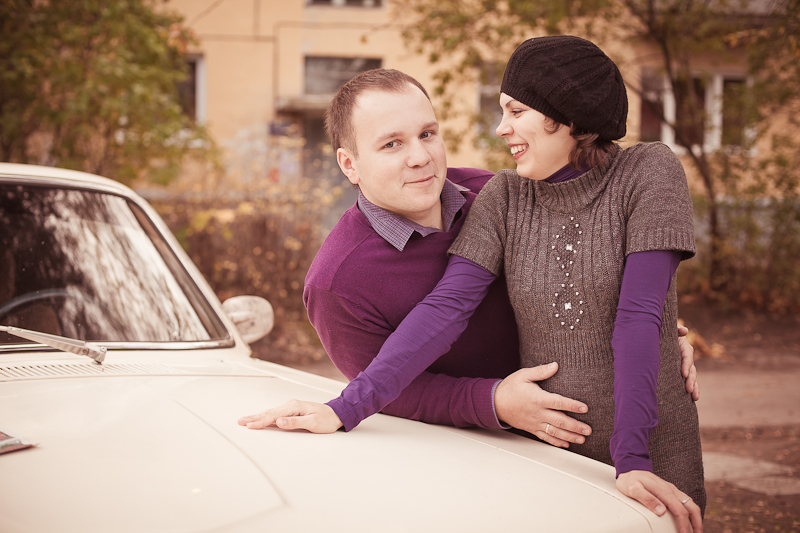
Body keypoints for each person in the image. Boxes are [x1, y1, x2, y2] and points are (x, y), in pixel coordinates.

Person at [239, 56, 703, 530]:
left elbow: (612, 287)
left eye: (427, 134)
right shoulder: (337, 282)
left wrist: (661, 330)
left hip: (635, 431)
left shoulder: (488, 190)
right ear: (349, 164)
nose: (420, 157)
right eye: (392, 144)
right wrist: (487, 401)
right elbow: (441, 318)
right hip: (498, 457)